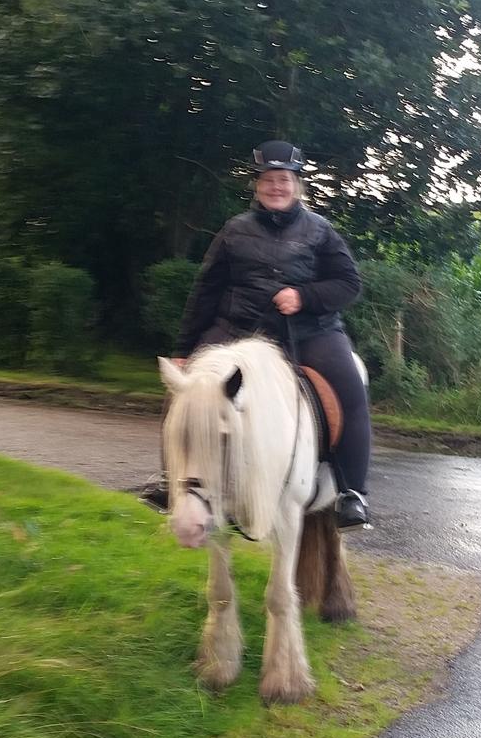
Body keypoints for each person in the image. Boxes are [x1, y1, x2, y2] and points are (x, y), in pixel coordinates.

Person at [146, 140, 371, 527]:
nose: (276, 187)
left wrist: (304, 295)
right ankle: (171, 482)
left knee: (350, 391)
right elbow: (205, 291)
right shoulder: (234, 230)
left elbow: (349, 283)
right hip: (236, 330)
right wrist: (184, 348)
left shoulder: (321, 231)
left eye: (283, 179)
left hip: (309, 332)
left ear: (297, 184)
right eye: (268, 180)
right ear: (257, 185)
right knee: (183, 391)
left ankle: (351, 493)